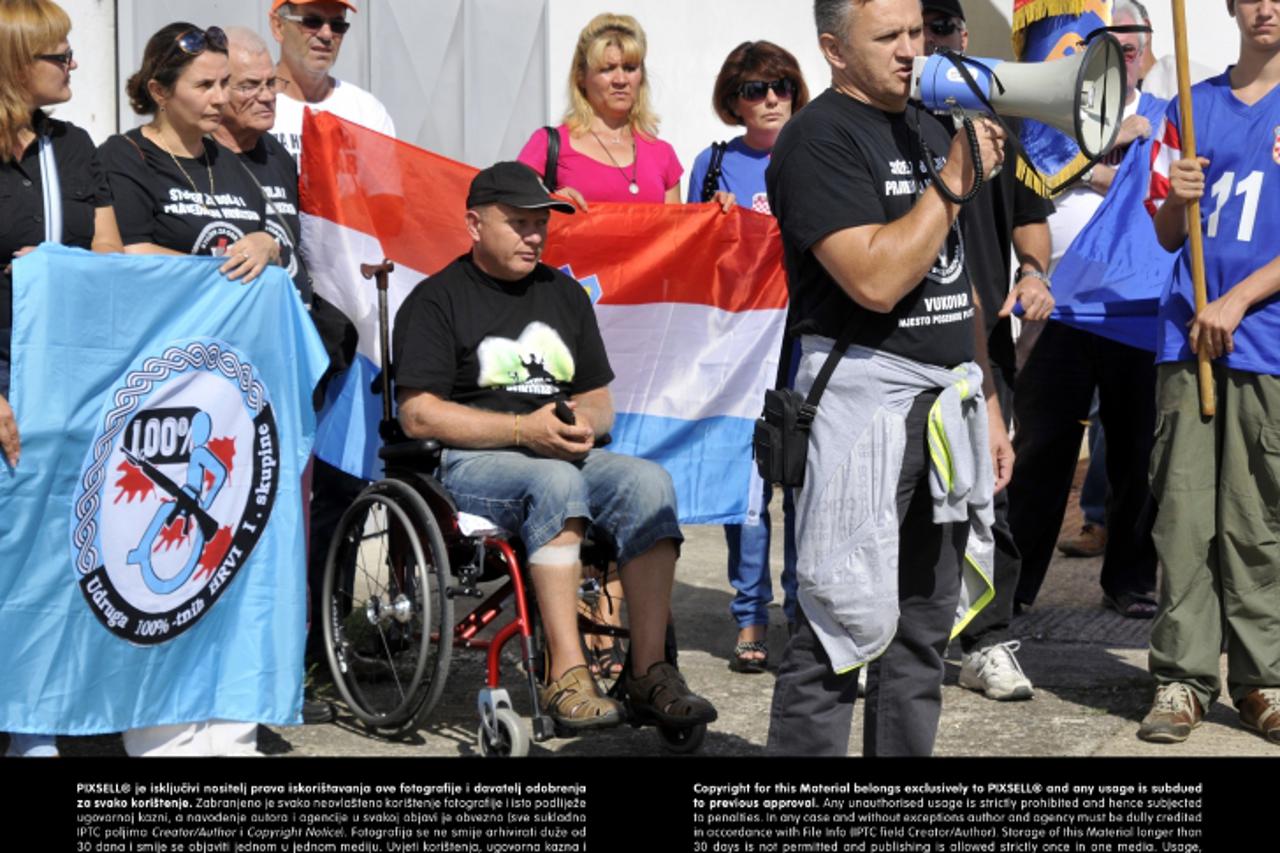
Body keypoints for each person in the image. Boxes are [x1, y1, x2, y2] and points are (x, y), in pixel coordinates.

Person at [392, 160, 717, 733]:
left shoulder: (564, 294)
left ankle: (649, 672)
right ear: (473, 224)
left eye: (540, 224)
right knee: (556, 482)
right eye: (517, 223)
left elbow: (598, 401)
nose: (534, 236)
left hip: (559, 453)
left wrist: (581, 426)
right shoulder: (435, 299)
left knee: (650, 481)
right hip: (474, 466)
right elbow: (418, 414)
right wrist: (522, 432)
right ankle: (566, 674)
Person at [764, 0, 1009, 757]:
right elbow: (874, 279)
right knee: (834, 629)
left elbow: (959, 283)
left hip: (943, 405)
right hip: (858, 407)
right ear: (835, 50)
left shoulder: (932, 125)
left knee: (922, 631)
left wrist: (991, 404)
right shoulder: (815, 141)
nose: (913, 51)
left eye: (917, 33)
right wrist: (954, 181)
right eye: (889, 38)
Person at [98, 21, 282, 756]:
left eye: (222, 84)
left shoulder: (232, 164)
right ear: (156, 89)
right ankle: (159, 729)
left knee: (224, 554)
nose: (220, 99)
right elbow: (127, 257)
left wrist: (267, 244)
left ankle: (225, 720)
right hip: (157, 392)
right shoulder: (123, 158)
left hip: (233, 392)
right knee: (154, 554)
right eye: (203, 86)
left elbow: (269, 240)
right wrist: (224, 274)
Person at [1139, 0, 1280, 746]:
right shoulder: (1190, 107)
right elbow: (1163, 229)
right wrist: (1180, 197)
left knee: (1259, 521)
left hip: (1268, 342)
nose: (1267, 7)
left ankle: (1265, 680)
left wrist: (1238, 298)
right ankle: (1183, 680)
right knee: (1185, 517)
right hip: (1185, 341)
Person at [1006, 0, 1165, 620]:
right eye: (1110, 41)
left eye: (1133, 44)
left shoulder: (1166, 117)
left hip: (1134, 310)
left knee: (1135, 455)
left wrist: (1107, 169)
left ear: (1147, 50)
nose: (1124, 53)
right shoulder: (1046, 117)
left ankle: (1128, 579)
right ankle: (1016, 584)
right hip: (1055, 308)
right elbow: (1021, 186)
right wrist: (1099, 161)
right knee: (1040, 451)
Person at [918, 0, 1054, 703]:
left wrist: (1033, 274)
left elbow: (1032, 224)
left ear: (963, 37)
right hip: (902, 343)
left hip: (981, 349)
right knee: (900, 496)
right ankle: (882, 638)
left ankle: (987, 640)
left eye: (941, 27)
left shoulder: (1002, 134)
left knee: (989, 496)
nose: (930, 40)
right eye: (918, 29)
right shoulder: (886, 128)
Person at [1, 0, 122, 758]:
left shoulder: (73, 146)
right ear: (16, 61)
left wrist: (251, 262)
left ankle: (32, 727)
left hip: (65, 377)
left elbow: (109, 253)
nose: (73, 64)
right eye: (59, 54)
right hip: (4, 373)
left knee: (48, 559)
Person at [685, 40, 810, 673]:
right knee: (751, 488)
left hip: (808, 344)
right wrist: (714, 225)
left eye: (781, 86)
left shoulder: (817, 151)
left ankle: (803, 613)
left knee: (808, 488)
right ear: (732, 100)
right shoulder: (710, 166)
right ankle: (751, 617)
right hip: (742, 352)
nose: (770, 100)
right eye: (754, 90)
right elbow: (692, 266)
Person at [517, 13, 682, 206]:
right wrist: (552, 203)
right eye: (607, 69)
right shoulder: (547, 144)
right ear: (581, 77)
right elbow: (511, 215)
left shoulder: (663, 154)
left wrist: (717, 211)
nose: (620, 80)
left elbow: (676, 233)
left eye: (630, 68)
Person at [268, 0, 393, 163]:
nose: (326, 35)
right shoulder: (252, 108)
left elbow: (384, 186)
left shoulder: (367, 113)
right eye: (312, 21)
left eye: (337, 25)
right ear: (278, 26)